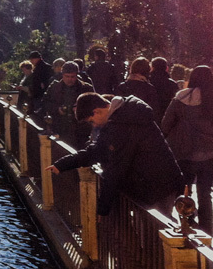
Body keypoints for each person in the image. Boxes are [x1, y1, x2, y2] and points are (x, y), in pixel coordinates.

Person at [47, 92, 184, 218]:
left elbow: (115, 170)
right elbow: (95, 151)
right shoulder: (118, 119)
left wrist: (102, 210)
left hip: (157, 185)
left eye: (91, 121)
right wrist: (63, 164)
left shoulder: (122, 125)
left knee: (154, 230)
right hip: (155, 183)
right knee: (150, 228)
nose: (93, 125)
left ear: (97, 111)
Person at [162, 66, 213, 234]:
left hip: (184, 150)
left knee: (184, 189)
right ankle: (207, 229)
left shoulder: (181, 97)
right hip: (209, 152)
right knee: (205, 192)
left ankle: (187, 222)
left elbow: (166, 124)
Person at [44, 61, 94, 145]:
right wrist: (57, 109)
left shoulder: (86, 88)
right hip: (59, 128)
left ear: (77, 75)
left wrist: (79, 109)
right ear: (62, 75)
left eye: (72, 77)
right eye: (67, 76)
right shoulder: (55, 87)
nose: (69, 79)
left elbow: (94, 107)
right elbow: (45, 103)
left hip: (80, 131)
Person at [116, 57, 163, 126]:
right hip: (143, 125)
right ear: (147, 70)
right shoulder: (149, 88)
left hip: (124, 125)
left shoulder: (122, 87)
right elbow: (154, 111)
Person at [149, 57, 178, 122]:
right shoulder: (172, 84)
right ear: (166, 68)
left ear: (152, 68)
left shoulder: (147, 82)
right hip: (166, 117)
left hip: (149, 116)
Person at [27, 51, 54, 117]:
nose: (31, 61)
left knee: (38, 114)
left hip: (40, 94)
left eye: (32, 59)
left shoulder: (43, 67)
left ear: (37, 58)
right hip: (38, 93)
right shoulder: (41, 67)